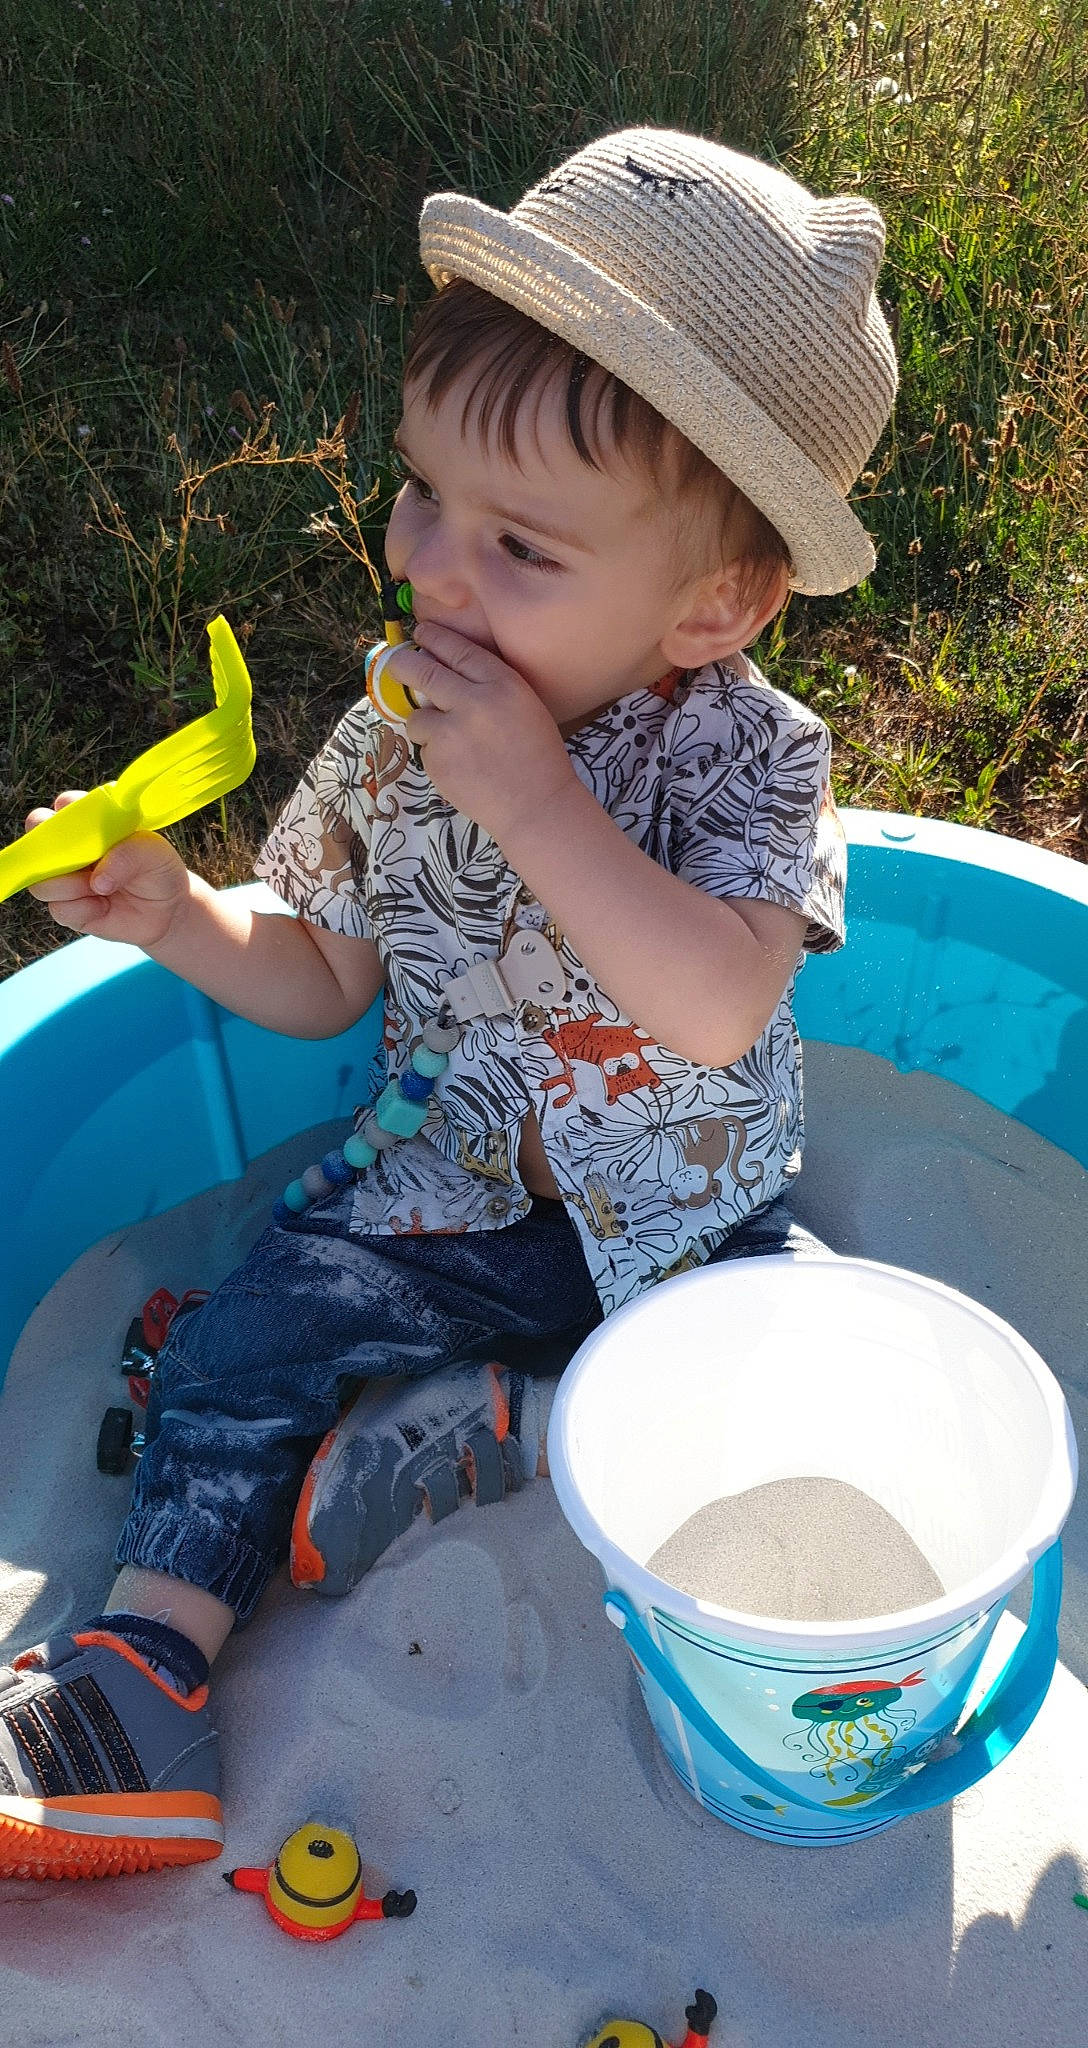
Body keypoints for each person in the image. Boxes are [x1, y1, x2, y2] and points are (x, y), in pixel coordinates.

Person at [0, 127, 898, 1880]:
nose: (435, 567)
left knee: (817, 1390)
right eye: (425, 494)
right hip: (447, 1196)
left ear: (713, 601)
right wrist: (181, 918)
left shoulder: (752, 761)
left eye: (523, 546)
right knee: (249, 1331)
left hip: (690, 1219)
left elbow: (718, 1007)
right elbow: (327, 974)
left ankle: (517, 1427)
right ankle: (148, 1679)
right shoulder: (401, 729)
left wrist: (543, 810)